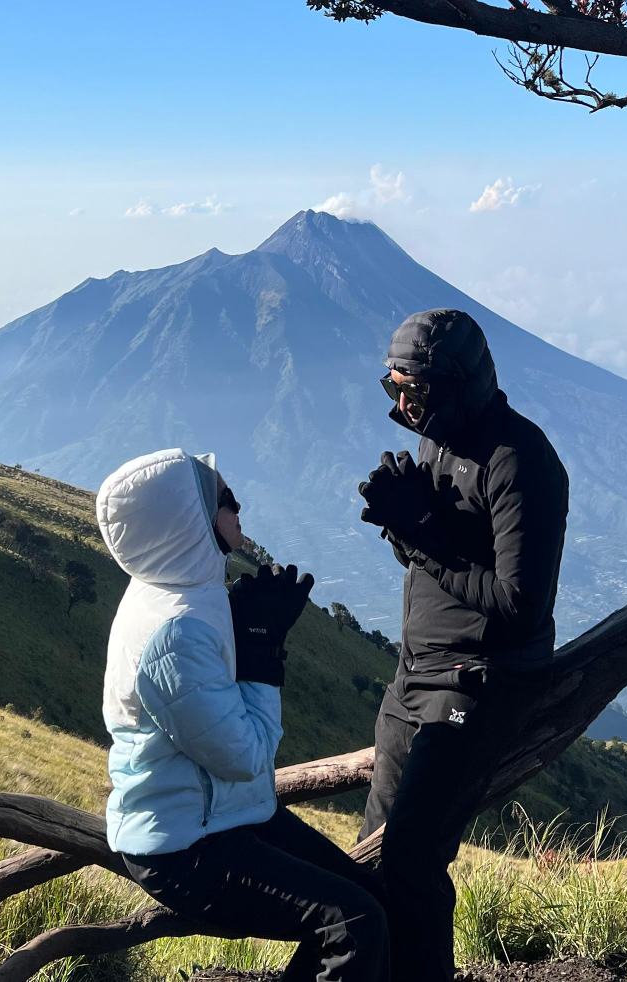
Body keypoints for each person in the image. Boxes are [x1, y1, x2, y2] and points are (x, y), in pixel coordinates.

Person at [97, 447, 388, 982]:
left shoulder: (175, 591)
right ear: (190, 522)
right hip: (184, 845)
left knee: (367, 903)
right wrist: (262, 654)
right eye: (226, 501)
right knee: (351, 922)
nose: (239, 507)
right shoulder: (176, 632)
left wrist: (248, 631)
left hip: (222, 815)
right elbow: (246, 757)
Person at [356, 309, 570, 982]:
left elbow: (517, 606)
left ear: (457, 383)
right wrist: (406, 530)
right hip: (413, 674)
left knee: (412, 860)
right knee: (370, 856)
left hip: (481, 678)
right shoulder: (436, 440)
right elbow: (435, 562)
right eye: (395, 390)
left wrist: (427, 542)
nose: (404, 405)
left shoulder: (519, 460)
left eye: (414, 390)